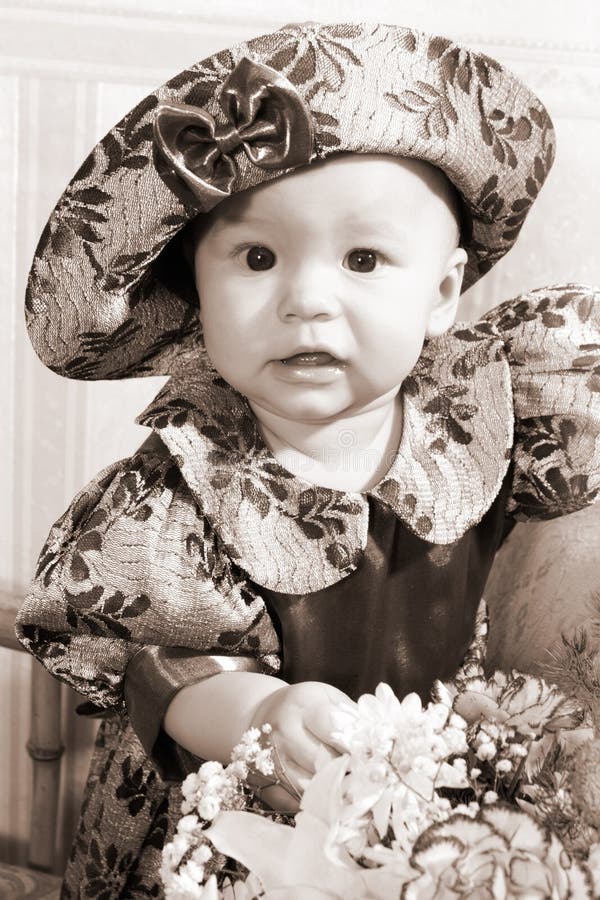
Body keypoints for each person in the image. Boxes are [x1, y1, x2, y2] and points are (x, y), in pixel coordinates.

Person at [15, 21, 600, 898]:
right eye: (257, 258)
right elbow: (165, 668)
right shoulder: (177, 488)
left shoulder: (488, 411)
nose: (307, 302)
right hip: (234, 820)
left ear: (442, 293)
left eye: (364, 259)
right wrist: (259, 713)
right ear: (195, 291)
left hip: (429, 802)